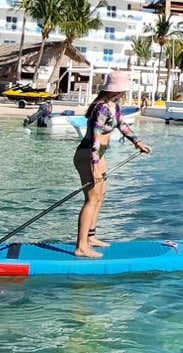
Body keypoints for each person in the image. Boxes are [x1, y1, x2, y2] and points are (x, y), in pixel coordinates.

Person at [73, 71, 150, 258]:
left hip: (98, 155)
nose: (125, 92)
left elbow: (122, 126)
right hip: (89, 155)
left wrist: (137, 142)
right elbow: (94, 134)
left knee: (100, 196)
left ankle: (90, 237)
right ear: (116, 89)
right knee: (91, 199)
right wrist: (94, 161)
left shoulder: (113, 106)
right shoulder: (101, 108)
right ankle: (81, 246)